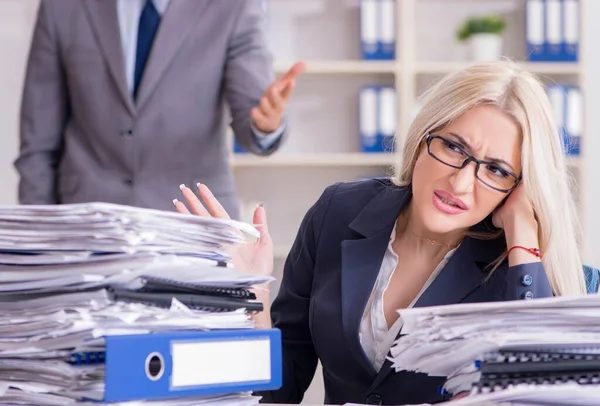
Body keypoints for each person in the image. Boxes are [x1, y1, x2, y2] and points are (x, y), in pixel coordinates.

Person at [174, 60, 592, 405]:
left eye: (497, 170)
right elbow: (278, 391)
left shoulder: (521, 271)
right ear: (424, 135)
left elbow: (539, 393)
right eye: (453, 148)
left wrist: (522, 234)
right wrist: (253, 297)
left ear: (520, 186)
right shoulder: (339, 211)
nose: (461, 184)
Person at [15, 0, 305, 219]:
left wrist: (265, 124)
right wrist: (39, 240)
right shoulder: (63, 6)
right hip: (87, 226)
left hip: (194, 226)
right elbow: (37, 145)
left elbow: (252, 115)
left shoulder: (232, 6)